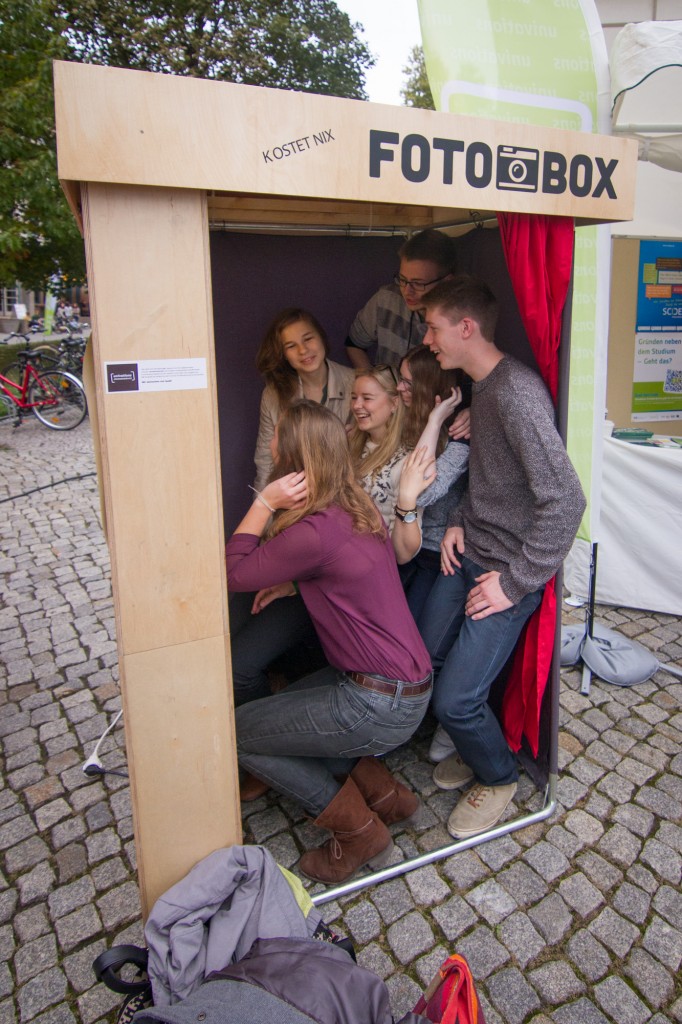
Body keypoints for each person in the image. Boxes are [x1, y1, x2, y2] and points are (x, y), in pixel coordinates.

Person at [226, 401, 433, 884]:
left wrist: (264, 502)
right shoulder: (352, 504)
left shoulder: (313, 531)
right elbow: (347, 571)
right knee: (289, 713)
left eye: (278, 435)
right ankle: (390, 799)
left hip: (377, 701)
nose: (271, 442)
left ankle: (361, 834)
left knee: (237, 733)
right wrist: (297, 583)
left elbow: (235, 572)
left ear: (294, 454)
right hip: (404, 685)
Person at [418, 275, 586, 840]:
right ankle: (474, 743)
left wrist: (514, 585)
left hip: (504, 572)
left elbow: (566, 501)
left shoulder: (514, 392)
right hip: (469, 551)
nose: (427, 340)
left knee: (457, 698)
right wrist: (459, 524)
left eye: (433, 328)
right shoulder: (480, 388)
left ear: (465, 328)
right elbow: (491, 480)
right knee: (422, 657)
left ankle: (498, 776)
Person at [396, 347, 470, 624]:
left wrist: (436, 420)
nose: (398, 387)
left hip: (433, 553)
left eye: (407, 383)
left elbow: (422, 491)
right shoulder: (403, 419)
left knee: (409, 627)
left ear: (430, 389)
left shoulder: (460, 435)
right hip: (398, 541)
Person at [253, 308, 355, 490]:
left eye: (308, 339)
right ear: (282, 354)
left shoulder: (355, 383)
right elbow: (265, 463)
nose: (303, 350)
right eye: (291, 346)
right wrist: (265, 509)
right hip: (294, 496)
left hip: (344, 492)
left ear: (321, 337)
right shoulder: (273, 395)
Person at [345, 228, 457, 371]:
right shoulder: (385, 299)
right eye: (402, 280)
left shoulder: (458, 320)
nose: (407, 290)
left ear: (446, 282)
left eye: (418, 283)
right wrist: (371, 383)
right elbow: (354, 344)